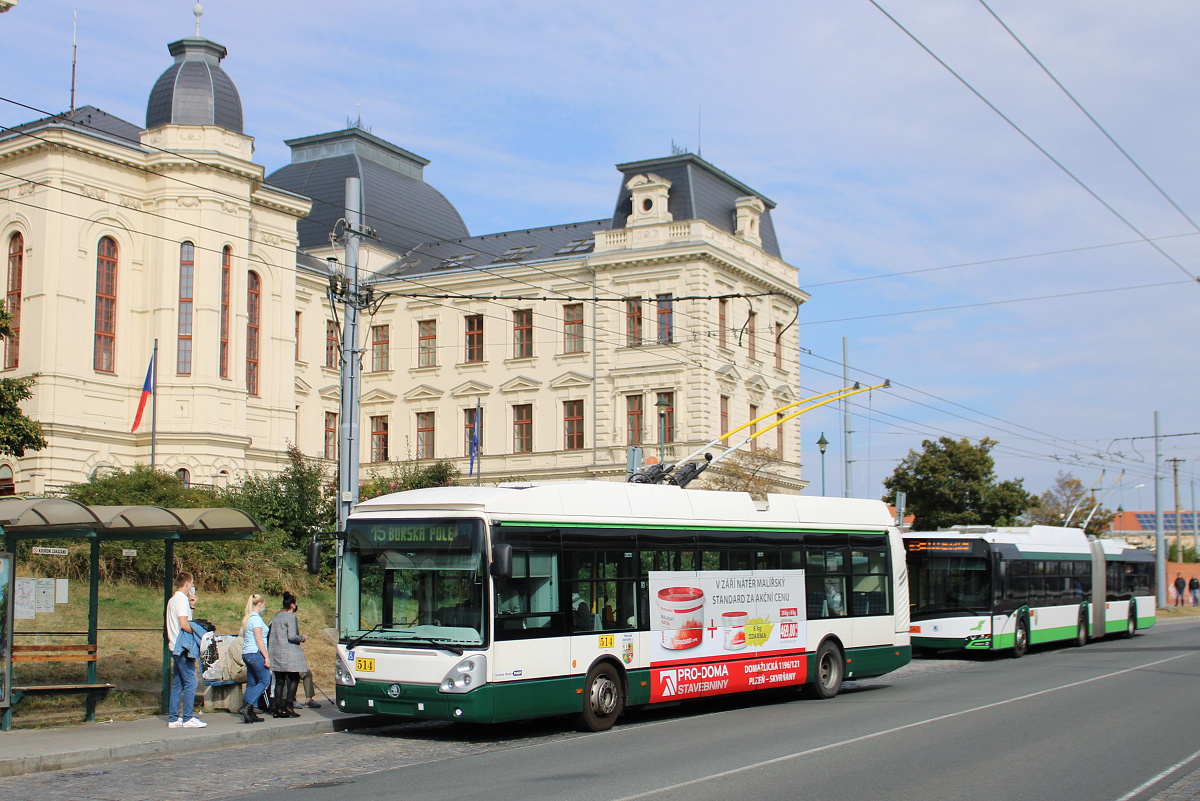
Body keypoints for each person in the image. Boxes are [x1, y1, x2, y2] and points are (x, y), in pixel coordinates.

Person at [165, 572, 207, 729]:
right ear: (187, 583)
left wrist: (192, 605)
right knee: (191, 681)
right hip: (182, 646)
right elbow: (184, 623)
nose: (193, 586)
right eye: (192, 583)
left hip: (174, 645)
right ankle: (188, 717)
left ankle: (173, 717)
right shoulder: (181, 600)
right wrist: (198, 632)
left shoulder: (173, 600)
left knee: (178, 682)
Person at [268, 591, 308, 718]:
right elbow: (291, 636)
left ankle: (278, 708)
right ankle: (289, 706)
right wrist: (302, 638)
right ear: (292, 605)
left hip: (276, 653)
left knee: (280, 680)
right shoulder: (291, 617)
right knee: (294, 678)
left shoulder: (277, 616)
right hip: (289, 653)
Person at [238, 593, 270, 724]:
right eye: (264, 604)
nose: (264, 606)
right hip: (256, 653)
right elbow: (259, 639)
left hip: (247, 653)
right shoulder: (256, 619)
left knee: (252, 683)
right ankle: (247, 706)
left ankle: (250, 713)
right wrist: (266, 657)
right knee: (264, 681)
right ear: (259, 604)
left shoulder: (247, 618)